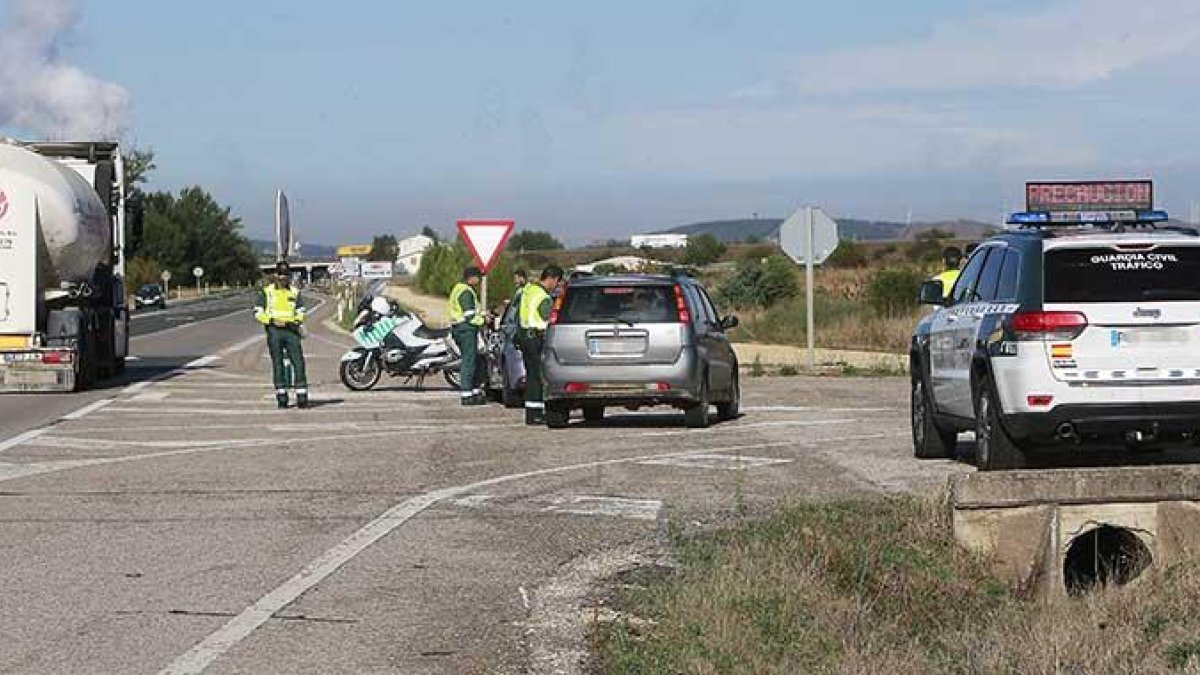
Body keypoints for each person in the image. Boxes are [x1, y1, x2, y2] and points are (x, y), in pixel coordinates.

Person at [255, 262, 309, 409]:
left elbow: (301, 310)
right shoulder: (267, 292)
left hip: (291, 330)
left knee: (298, 362)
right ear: (275, 275)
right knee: (277, 363)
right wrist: (271, 321)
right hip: (274, 330)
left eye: (285, 275)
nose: (282, 277)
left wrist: (297, 321)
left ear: (289, 276)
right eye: (280, 274)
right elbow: (258, 312)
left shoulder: (295, 292)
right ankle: (282, 395)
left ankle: (301, 395)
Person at [518, 265, 565, 425]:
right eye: (557, 283)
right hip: (535, 337)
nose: (556, 286)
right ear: (552, 279)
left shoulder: (529, 290)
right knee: (537, 377)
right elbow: (548, 319)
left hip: (524, 335)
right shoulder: (544, 298)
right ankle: (536, 413)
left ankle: (532, 412)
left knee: (532, 375)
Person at [448, 266, 486, 406]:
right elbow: (469, 316)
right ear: (471, 277)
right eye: (478, 277)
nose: (479, 280)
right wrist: (483, 320)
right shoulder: (466, 292)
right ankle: (466, 394)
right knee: (469, 361)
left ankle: (473, 391)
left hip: (460, 329)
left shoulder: (458, 289)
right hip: (466, 329)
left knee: (472, 359)